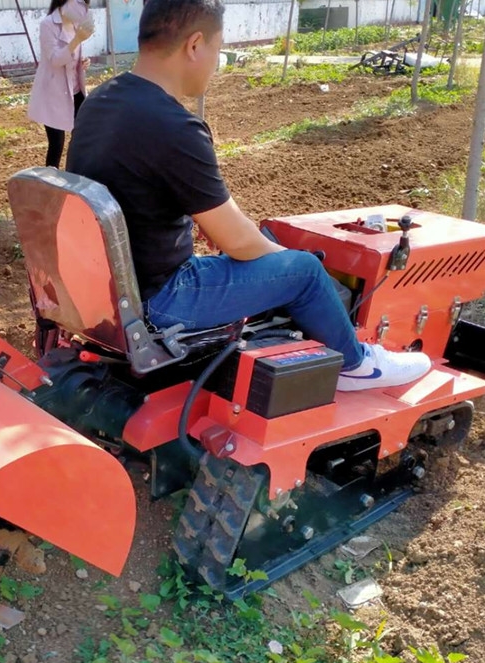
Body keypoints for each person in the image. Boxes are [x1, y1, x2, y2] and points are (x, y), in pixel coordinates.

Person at [67, 0, 430, 392]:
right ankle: (357, 366)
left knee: (269, 247)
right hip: (161, 299)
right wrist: (293, 265)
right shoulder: (174, 126)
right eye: (217, 48)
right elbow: (239, 243)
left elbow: (139, 189)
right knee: (305, 272)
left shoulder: (102, 101)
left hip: (105, 291)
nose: (216, 61)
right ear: (195, 45)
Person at [28, 0, 94, 168]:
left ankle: (75, 175)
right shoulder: (48, 25)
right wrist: (77, 40)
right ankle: (52, 183)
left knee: (82, 136)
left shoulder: (75, 24)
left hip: (75, 90)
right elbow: (56, 59)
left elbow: (73, 56)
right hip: (53, 93)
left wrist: (83, 62)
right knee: (57, 143)